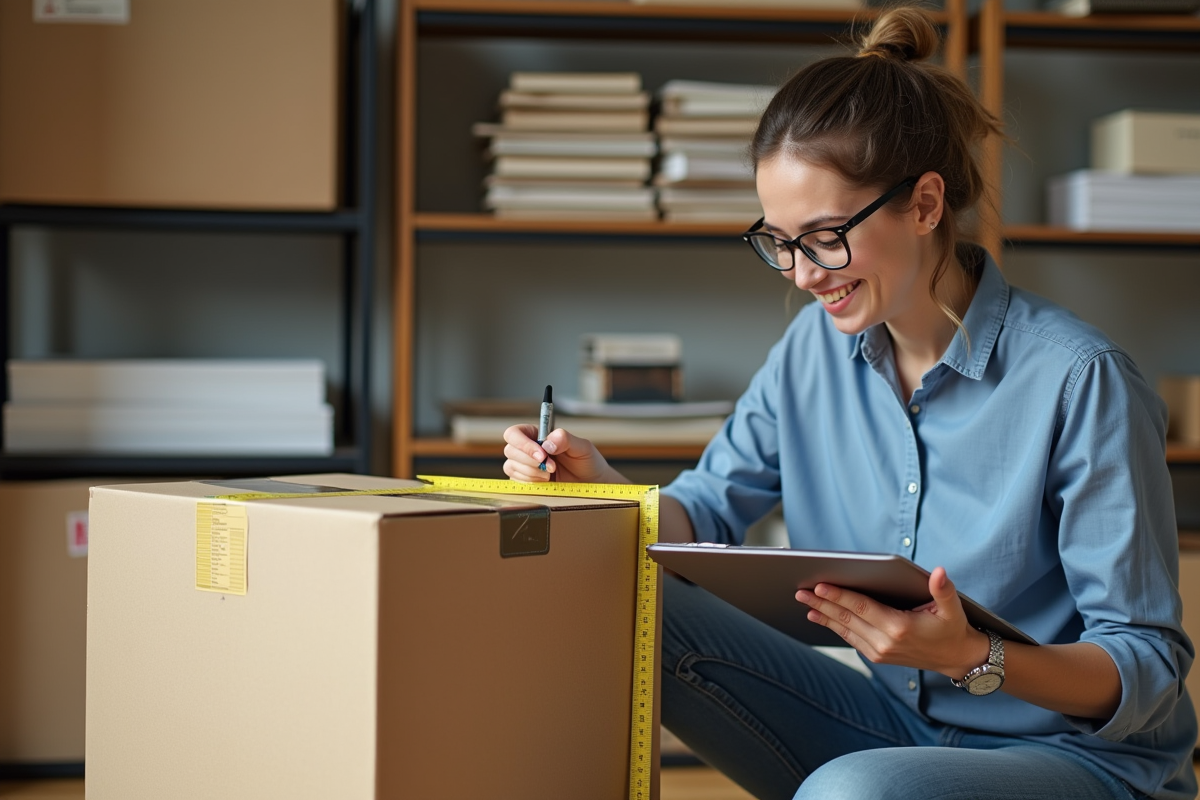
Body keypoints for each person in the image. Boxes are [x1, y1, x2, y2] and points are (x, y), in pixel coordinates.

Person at [501, 6, 1197, 799]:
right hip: (891, 727)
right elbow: (708, 508)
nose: (801, 274)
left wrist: (970, 655)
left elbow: (1146, 670)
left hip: (1078, 762)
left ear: (925, 205)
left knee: (855, 792)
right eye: (780, 241)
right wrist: (604, 487)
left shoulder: (1080, 379)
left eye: (826, 237)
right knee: (621, 597)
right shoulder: (811, 352)